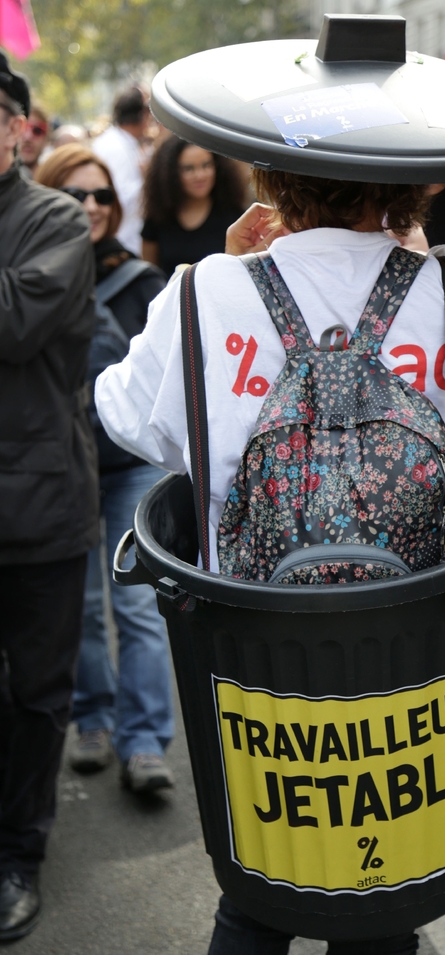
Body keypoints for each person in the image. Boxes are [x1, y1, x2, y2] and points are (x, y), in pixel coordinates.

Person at [96, 138, 445, 948]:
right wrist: (420, 228)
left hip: (255, 651)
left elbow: (122, 411)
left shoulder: (205, 290)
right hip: (416, 646)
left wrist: (213, 287)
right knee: (384, 897)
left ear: (270, 173)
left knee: (261, 884)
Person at [36, 144, 175, 794]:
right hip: (59, 465)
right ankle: (92, 721)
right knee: (83, 608)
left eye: (100, 196)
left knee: (139, 605)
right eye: (74, 195)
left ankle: (144, 740)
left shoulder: (138, 281)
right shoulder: (32, 273)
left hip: (126, 469)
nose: (90, 207)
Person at [0, 54, 98, 940]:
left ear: (16, 129)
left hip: (38, 507)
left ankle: (19, 852)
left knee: (36, 694)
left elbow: (13, 322)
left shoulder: (56, 218)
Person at [141, 135, 246, 278]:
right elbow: (151, 275)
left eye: (206, 165)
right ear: (170, 174)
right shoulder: (158, 217)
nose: (200, 175)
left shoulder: (234, 216)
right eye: (188, 169)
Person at [93, 86, 152, 255]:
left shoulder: (123, 143)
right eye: (149, 110)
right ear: (142, 114)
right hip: (122, 247)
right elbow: (122, 200)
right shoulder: (115, 147)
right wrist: (148, 179)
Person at [17, 100, 49, 177]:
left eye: (37, 130)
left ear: (47, 139)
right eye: (22, 128)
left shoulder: (55, 182)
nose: (28, 137)